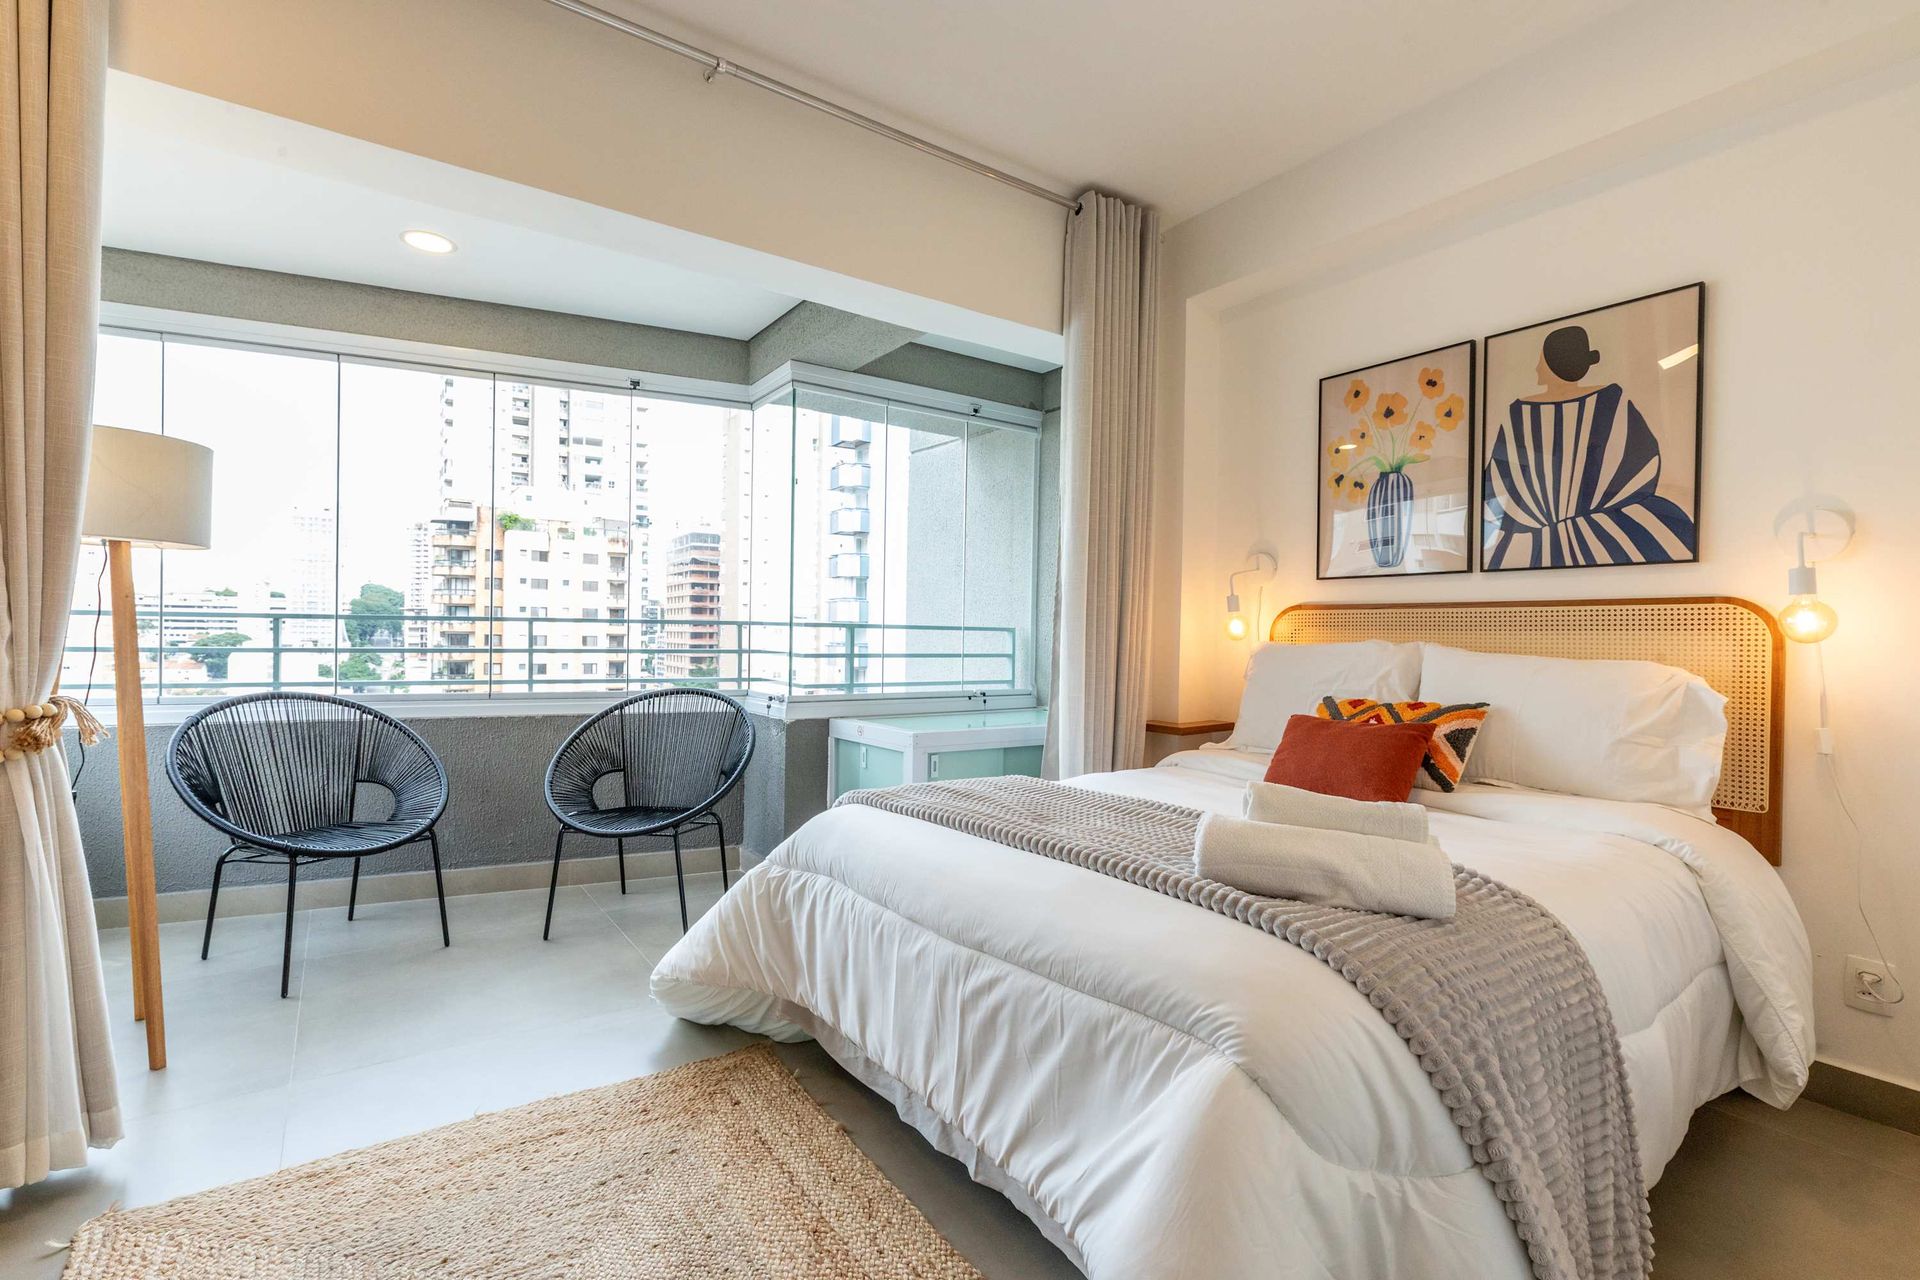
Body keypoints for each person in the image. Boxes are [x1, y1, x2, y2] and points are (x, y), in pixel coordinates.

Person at [1482, 324, 1696, 567]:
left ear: (1554, 362)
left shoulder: (1521, 411)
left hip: (1540, 532)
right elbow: (1641, 462)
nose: (1537, 368)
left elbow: (1499, 482)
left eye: (1541, 361)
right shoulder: (1611, 400)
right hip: (1606, 525)